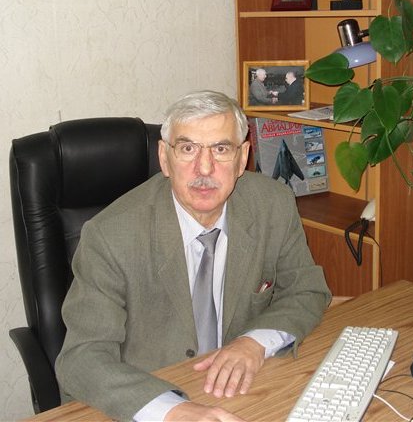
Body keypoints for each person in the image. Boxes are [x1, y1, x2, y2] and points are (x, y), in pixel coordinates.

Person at [55, 91, 331, 422]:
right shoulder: (110, 235)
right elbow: (82, 357)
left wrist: (254, 342)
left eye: (221, 149)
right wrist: (171, 411)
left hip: (242, 390)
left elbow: (307, 290)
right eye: (188, 149)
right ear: (164, 157)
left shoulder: (273, 204)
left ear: (243, 157)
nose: (204, 168)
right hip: (148, 394)